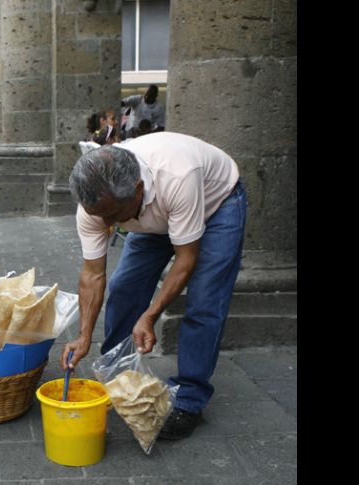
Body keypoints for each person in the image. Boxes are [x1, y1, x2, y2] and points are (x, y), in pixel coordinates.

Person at [63, 132, 246, 441]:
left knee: (204, 302)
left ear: (137, 189)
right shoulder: (97, 203)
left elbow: (186, 259)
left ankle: (189, 399)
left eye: (113, 217)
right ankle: (119, 375)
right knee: (124, 287)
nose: (107, 225)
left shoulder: (177, 175)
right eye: (100, 217)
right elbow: (93, 275)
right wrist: (83, 336)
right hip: (154, 214)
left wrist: (151, 314)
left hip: (216, 205)